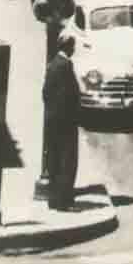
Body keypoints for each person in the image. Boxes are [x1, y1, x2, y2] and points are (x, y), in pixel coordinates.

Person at [41, 30, 80, 211]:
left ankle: (54, 199)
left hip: (52, 120)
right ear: (69, 47)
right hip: (65, 122)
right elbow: (68, 96)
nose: (74, 49)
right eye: (73, 46)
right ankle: (64, 201)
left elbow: (46, 93)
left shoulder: (52, 64)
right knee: (67, 159)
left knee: (54, 159)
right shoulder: (65, 66)